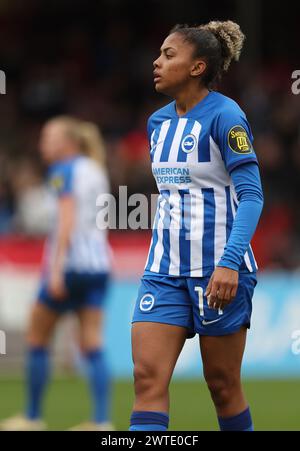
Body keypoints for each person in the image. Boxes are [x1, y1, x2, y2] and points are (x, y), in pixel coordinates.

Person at [130, 21, 264, 431]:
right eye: (159, 53)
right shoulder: (157, 123)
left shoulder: (226, 116)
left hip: (218, 271)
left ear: (197, 67)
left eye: (169, 55)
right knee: (147, 378)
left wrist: (229, 263)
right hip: (163, 271)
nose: (157, 61)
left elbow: (252, 196)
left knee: (222, 385)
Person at [0, 117, 113, 431]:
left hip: (70, 265)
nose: (42, 145)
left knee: (37, 338)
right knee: (92, 342)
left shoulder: (63, 170)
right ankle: (101, 420)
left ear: (69, 142)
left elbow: (65, 222)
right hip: (98, 265)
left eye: (49, 138)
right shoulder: (95, 169)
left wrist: (56, 270)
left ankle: (32, 417)